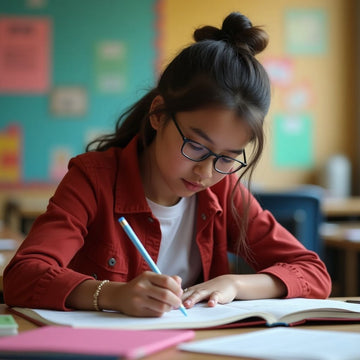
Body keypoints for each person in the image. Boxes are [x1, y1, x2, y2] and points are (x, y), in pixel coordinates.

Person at [4, 12, 331, 317]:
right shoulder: (94, 178)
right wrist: (111, 294)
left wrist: (235, 284)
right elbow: (21, 276)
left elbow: (313, 272)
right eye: (196, 146)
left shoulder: (224, 189)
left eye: (228, 158)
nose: (205, 172)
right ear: (159, 114)